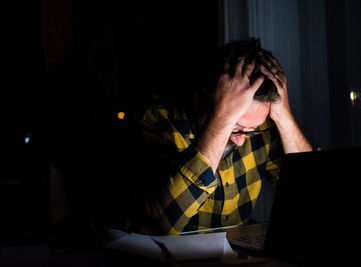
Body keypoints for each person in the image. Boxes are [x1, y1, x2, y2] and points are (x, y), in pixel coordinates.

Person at [128, 38, 313, 235]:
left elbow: (310, 195)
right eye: (236, 127)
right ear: (201, 98)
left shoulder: (258, 126)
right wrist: (222, 119)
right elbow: (159, 225)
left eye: (252, 130)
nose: (242, 140)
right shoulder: (153, 119)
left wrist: (284, 117)